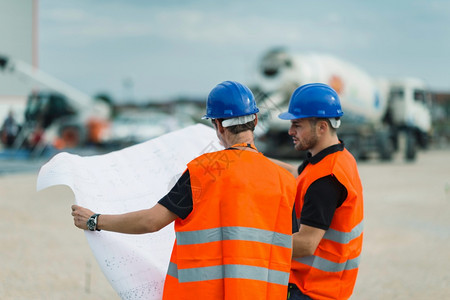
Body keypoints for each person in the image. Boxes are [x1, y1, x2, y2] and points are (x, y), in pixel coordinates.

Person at [71, 80, 297, 299]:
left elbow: (151, 221)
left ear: (217, 124)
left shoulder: (204, 171)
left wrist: (94, 220)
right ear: (255, 120)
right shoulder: (284, 179)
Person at [272, 83, 364, 300]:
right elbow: (298, 174)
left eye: (297, 125)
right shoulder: (337, 158)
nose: (290, 131)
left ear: (322, 127)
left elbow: (306, 243)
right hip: (322, 288)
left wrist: (253, 245)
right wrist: (256, 160)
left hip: (311, 290)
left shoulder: (325, 180)